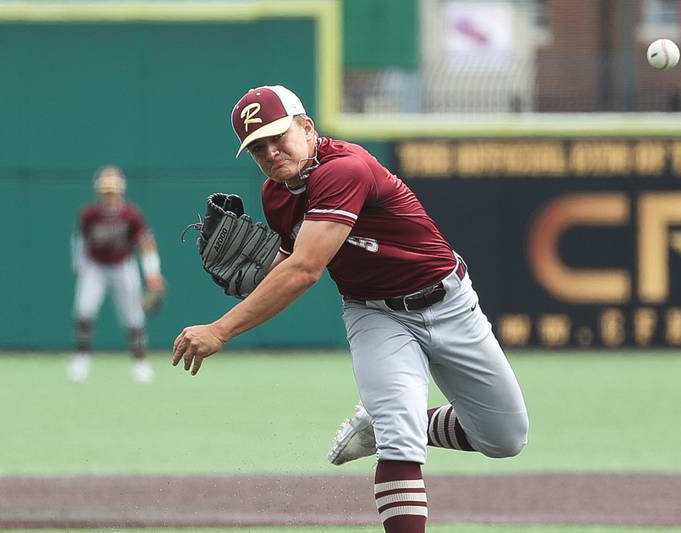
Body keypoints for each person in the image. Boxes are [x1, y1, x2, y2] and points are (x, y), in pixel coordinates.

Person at [172, 85, 529, 532]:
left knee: (504, 438)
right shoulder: (276, 195)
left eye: (278, 136)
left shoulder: (345, 169)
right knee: (402, 443)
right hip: (375, 315)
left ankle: (385, 420)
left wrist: (221, 329)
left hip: (449, 302)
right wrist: (260, 278)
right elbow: (291, 258)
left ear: (306, 127)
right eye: (257, 147)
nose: (270, 152)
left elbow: (304, 270)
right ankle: (393, 422)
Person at [69, 165, 164, 383]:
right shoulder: (89, 214)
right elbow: (79, 240)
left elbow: (146, 243)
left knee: (133, 316)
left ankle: (140, 362)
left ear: (120, 190)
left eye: (112, 191)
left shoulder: (130, 214)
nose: (109, 196)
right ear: (98, 192)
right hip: (96, 267)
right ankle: (80, 359)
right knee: (84, 310)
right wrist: (79, 266)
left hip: (123, 266)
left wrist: (153, 272)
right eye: (105, 191)